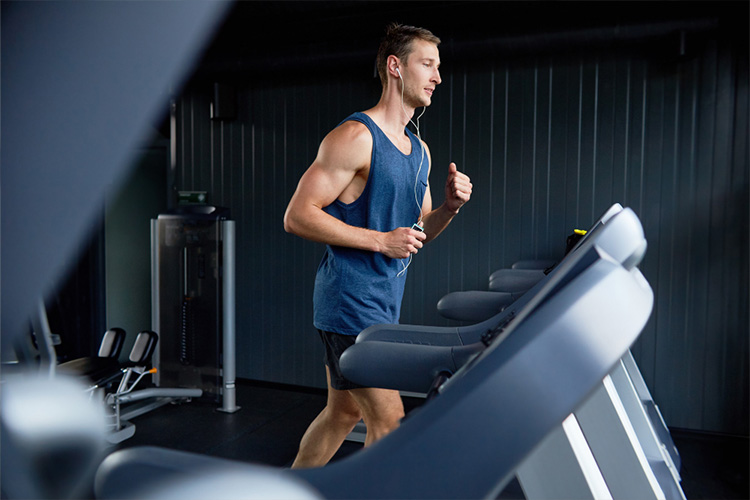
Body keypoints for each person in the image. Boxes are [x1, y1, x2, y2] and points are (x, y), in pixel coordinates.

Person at [283, 23, 472, 469]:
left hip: (383, 302)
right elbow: (298, 215)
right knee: (389, 422)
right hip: (348, 301)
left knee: (343, 411)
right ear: (395, 66)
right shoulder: (355, 137)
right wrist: (379, 241)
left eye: (438, 67)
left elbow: (417, 232)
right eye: (427, 64)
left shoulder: (420, 151)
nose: (437, 77)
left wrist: (448, 208)